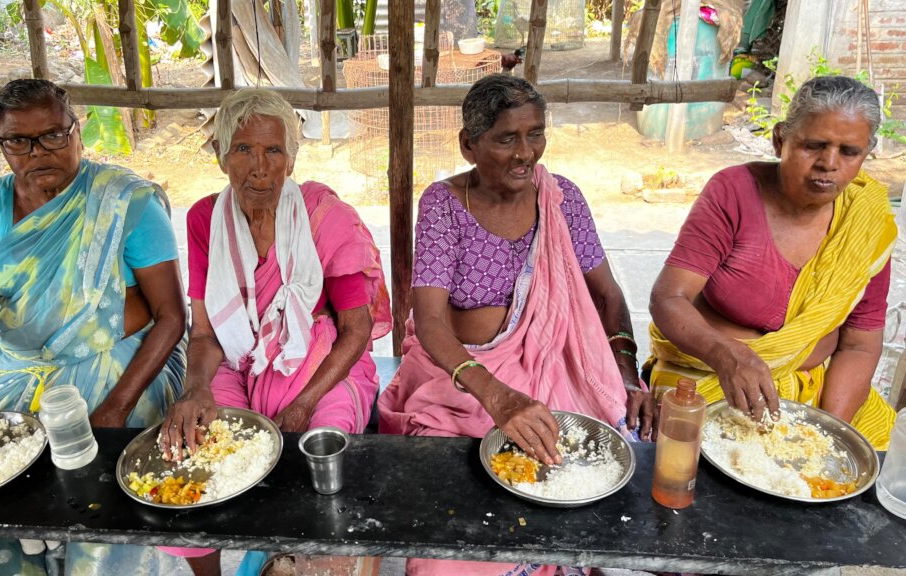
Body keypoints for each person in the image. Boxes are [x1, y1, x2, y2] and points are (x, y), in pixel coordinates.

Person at [378, 74, 651, 576]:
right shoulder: (445, 206)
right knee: (455, 533)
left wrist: (628, 376)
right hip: (461, 378)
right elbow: (431, 320)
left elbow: (608, 294)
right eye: (507, 138)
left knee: (598, 477)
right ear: (469, 144)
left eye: (536, 134)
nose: (526, 153)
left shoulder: (561, 198)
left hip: (555, 368)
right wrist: (497, 395)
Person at [0, 79, 187, 574]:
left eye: (52, 136)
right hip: (23, 369)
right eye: (18, 141)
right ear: (1, 145)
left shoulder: (125, 202)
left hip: (124, 364)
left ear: (76, 131)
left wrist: (116, 406)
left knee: (105, 486)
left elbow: (172, 317)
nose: (37, 151)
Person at [158, 89, 391, 576]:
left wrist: (304, 402)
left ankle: (325, 558)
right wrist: (196, 389)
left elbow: (356, 330)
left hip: (319, 360)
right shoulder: (207, 219)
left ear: (292, 157)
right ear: (222, 157)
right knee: (198, 452)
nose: (259, 167)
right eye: (243, 149)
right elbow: (204, 336)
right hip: (237, 357)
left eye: (273, 150)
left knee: (321, 453)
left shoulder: (324, 216)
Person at [647, 75, 897, 449]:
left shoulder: (865, 221)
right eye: (814, 145)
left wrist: (823, 432)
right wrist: (726, 355)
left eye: (849, 152)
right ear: (780, 139)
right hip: (707, 375)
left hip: (811, 390)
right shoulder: (734, 192)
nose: (829, 164)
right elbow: (669, 298)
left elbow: (859, 344)